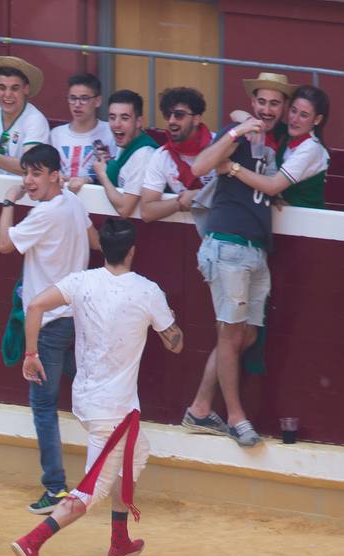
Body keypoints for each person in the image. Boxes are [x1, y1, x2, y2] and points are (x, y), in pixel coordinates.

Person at [10, 218, 184, 556]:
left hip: (89, 400)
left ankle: (119, 540)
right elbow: (175, 343)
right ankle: (32, 541)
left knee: (137, 453)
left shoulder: (82, 281)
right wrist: (172, 331)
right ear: (133, 251)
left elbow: (36, 307)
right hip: (114, 410)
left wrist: (30, 355)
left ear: (102, 249)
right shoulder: (147, 291)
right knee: (92, 491)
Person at [180, 72, 297, 448]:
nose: (266, 109)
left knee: (243, 334)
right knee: (232, 334)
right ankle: (236, 417)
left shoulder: (269, 145)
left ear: (282, 109)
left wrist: (269, 199)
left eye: (274, 104)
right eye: (261, 102)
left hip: (253, 249)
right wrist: (236, 130)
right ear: (253, 103)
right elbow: (198, 168)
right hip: (228, 245)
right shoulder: (238, 134)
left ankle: (200, 407)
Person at [0, 144, 98, 514]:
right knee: (87, 387)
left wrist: (9, 201)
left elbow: (4, 244)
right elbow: (95, 241)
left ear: (55, 174)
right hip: (78, 318)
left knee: (43, 405)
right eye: (26, 173)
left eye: (36, 174)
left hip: (51, 323)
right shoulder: (72, 201)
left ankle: (55, 488)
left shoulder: (44, 214)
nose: (28, 181)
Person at [137, 87, 216, 223]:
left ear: (197, 119)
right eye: (168, 115)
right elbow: (146, 211)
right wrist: (180, 202)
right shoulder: (162, 156)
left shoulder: (219, 146)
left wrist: (199, 196)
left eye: (179, 115)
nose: (171, 121)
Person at [88, 90, 157, 218]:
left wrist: (102, 174)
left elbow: (125, 209)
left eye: (124, 118)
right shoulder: (125, 143)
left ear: (139, 122)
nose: (116, 124)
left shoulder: (144, 155)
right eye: (112, 117)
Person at [50, 73, 114, 185]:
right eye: (72, 98)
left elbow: (115, 173)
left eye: (84, 98)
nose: (77, 104)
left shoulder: (110, 132)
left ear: (98, 101)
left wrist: (89, 180)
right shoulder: (56, 134)